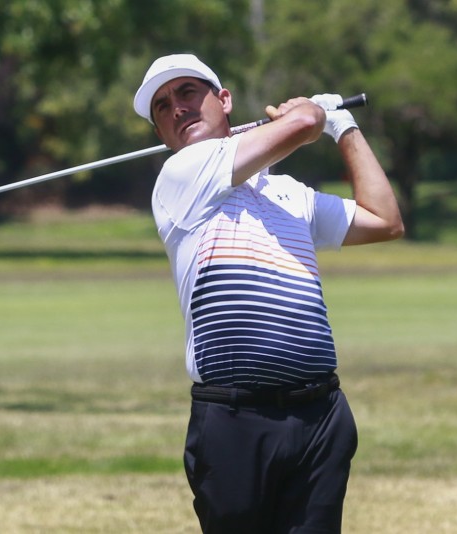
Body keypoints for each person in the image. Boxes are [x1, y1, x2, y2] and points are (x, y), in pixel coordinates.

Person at [133, 53, 404, 534]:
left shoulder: (289, 193)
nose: (177, 108)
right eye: (162, 106)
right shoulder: (181, 175)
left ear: (224, 100)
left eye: (188, 92)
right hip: (235, 419)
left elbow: (384, 220)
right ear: (161, 133)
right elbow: (302, 124)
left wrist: (344, 128)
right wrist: (314, 114)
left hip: (320, 415)